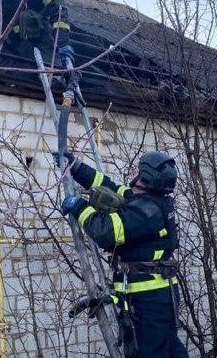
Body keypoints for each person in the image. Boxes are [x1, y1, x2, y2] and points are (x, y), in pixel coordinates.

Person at [57, 151, 188, 358]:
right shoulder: (147, 200)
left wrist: (79, 206)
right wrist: (76, 167)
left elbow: (105, 232)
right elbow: (108, 186)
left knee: (153, 354)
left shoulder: (147, 211)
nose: (134, 171)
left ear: (147, 177)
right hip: (155, 296)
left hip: (150, 300)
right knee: (170, 349)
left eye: (139, 169)